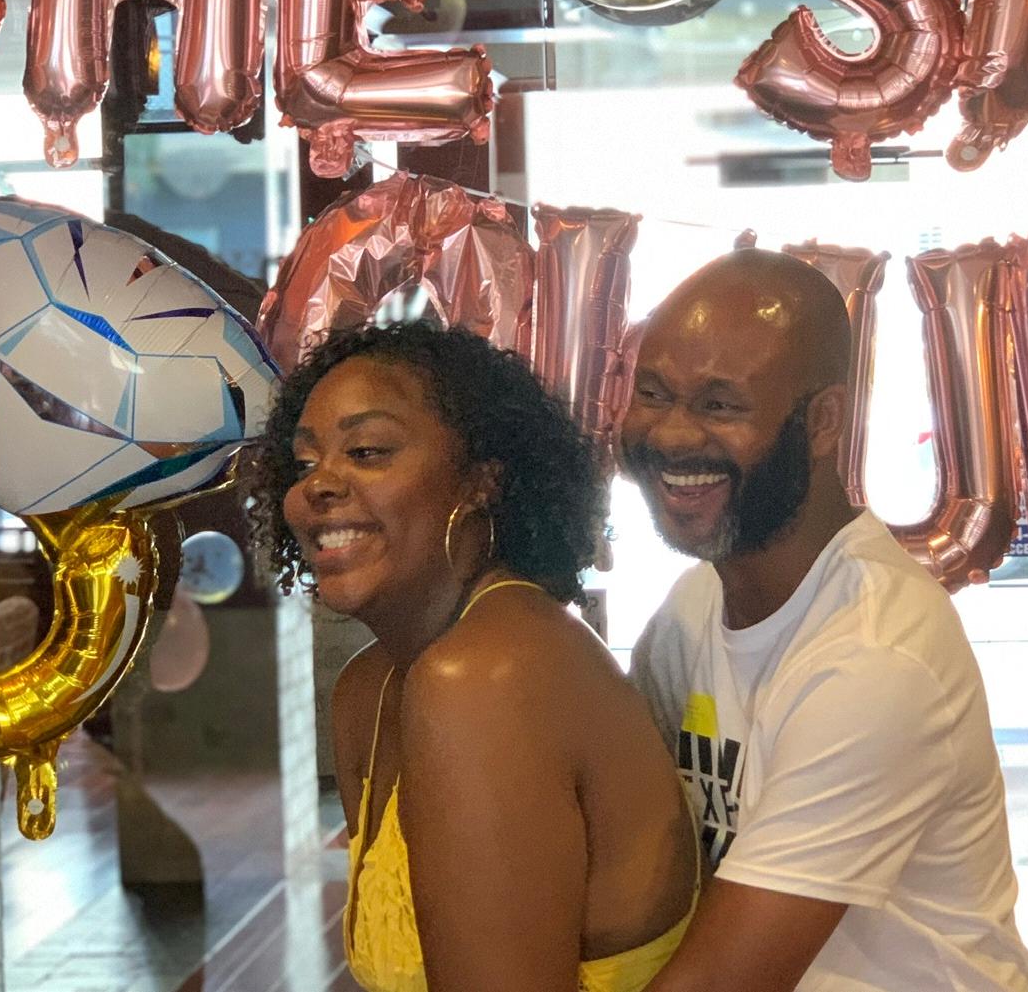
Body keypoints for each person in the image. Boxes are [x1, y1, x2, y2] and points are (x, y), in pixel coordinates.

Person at [621, 249, 1028, 992]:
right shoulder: (691, 610)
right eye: (653, 394)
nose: (671, 435)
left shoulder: (875, 655)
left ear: (823, 422)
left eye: (720, 405)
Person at [246, 320, 698, 992]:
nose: (318, 485)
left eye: (366, 451)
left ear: (480, 481)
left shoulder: (489, 676)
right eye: (305, 462)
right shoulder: (367, 688)